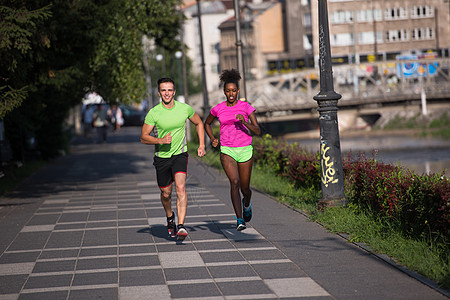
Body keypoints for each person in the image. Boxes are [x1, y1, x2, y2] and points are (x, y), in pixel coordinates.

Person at [140, 77, 206, 240]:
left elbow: (199, 123)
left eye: (169, 90)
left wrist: (201, 145)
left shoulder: (184, 109)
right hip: (161, 157)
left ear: (174, 92)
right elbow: (143, 137)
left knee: (181, 188)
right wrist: (160, 140)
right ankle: (170, 216)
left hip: (179, 155)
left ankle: (181, 226)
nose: (167, 93)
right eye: (163, 90)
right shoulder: (154, 113)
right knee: (165, 194)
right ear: (159, 93)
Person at [204, 69, 261, 231]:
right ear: (224, 91)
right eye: (228, 91)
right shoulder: (218, 108)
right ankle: (239, 219)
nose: (231, 94)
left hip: (244, 150)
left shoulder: (246, 107)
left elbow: (257, 131)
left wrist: (245, 122)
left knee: (245, 188)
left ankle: (247, 203)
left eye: (234, 91)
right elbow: (206, 123)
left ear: (238, 91)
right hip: (227, 149)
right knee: (234, 182)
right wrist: (213, 139)